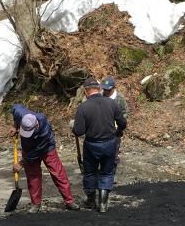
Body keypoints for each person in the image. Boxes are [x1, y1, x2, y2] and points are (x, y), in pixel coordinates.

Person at [72, 78, 127, 213]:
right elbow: (123, 122)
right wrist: (118, 131)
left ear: (85, 91)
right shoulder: (111, 103)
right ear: (99, 89)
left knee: (90, 172)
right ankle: (103, 203)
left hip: (91, 145)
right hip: (109, 143)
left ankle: (91, 200)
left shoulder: (84, 107)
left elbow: (78, 131)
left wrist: (73, 127)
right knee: (107, 172)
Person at [12, 104, 80, 212]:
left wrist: (22, 163)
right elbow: (15, 107)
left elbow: (37, 151)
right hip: (28, 148)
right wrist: (15, 125)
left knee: (58, 173)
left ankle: (69, 201)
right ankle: (36, 203)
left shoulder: (44, 128)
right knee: (33, 175)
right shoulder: (20, 113)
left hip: (46, 148)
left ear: (36, 125)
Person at [100, 75, 128, 171]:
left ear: (113, 88)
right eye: (104, 89)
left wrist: (119, 124)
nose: (106, 91)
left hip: (115, 131)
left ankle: (112, 171)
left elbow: (125, 112)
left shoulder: (120, 98)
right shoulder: (100, 96)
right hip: (102, 129)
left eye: (108, 89)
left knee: (114, 152)